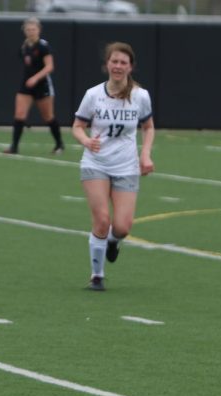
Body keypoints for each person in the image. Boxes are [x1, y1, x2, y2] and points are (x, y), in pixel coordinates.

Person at [71, 42, 155, 291]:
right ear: (107, 64)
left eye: (123, 63)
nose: (118, 66)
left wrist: (146, 154)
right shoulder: (93, 95)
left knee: (121, 226)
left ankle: (112, 242)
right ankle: (97, 276)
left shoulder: (141, 96)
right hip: (95, 164)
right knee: (102, 219)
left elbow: (148, 127)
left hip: (127, 166)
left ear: (131, 67)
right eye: (114, 61)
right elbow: (77, 126)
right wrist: (86, 140)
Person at [5, 17, 64, 155]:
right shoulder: (24, 46)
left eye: (33, 29)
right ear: (24, 31)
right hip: (26, 85)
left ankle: (59, 144)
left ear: (39, 30)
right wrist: (30, 79)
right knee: (19, 114)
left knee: (48, 116)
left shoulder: (43, 46)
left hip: (42, 85)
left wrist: (36, 78)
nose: (31, 32)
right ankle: (14, 146)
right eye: (28, 29)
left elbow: (50, 67)